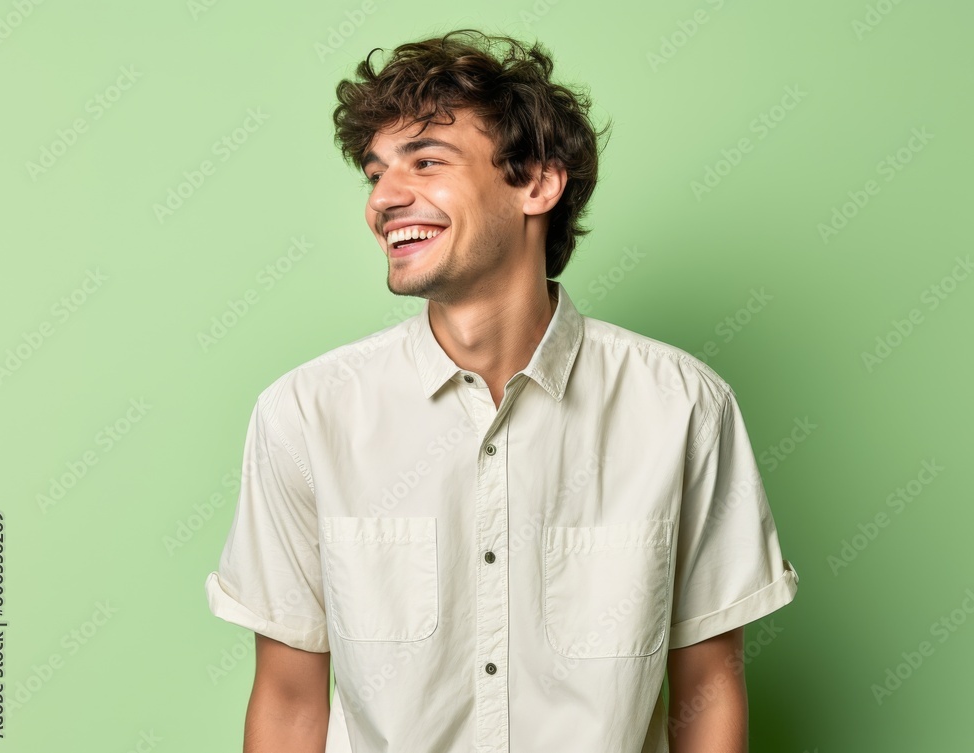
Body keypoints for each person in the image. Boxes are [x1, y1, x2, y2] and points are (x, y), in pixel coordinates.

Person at [204, 28, 799, 753]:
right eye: (375, 172)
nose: (386, 198)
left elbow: (708, 690)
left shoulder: (682, 407)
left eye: (425, 160)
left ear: (537, 184)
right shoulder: (305, 415)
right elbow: (290, 701)